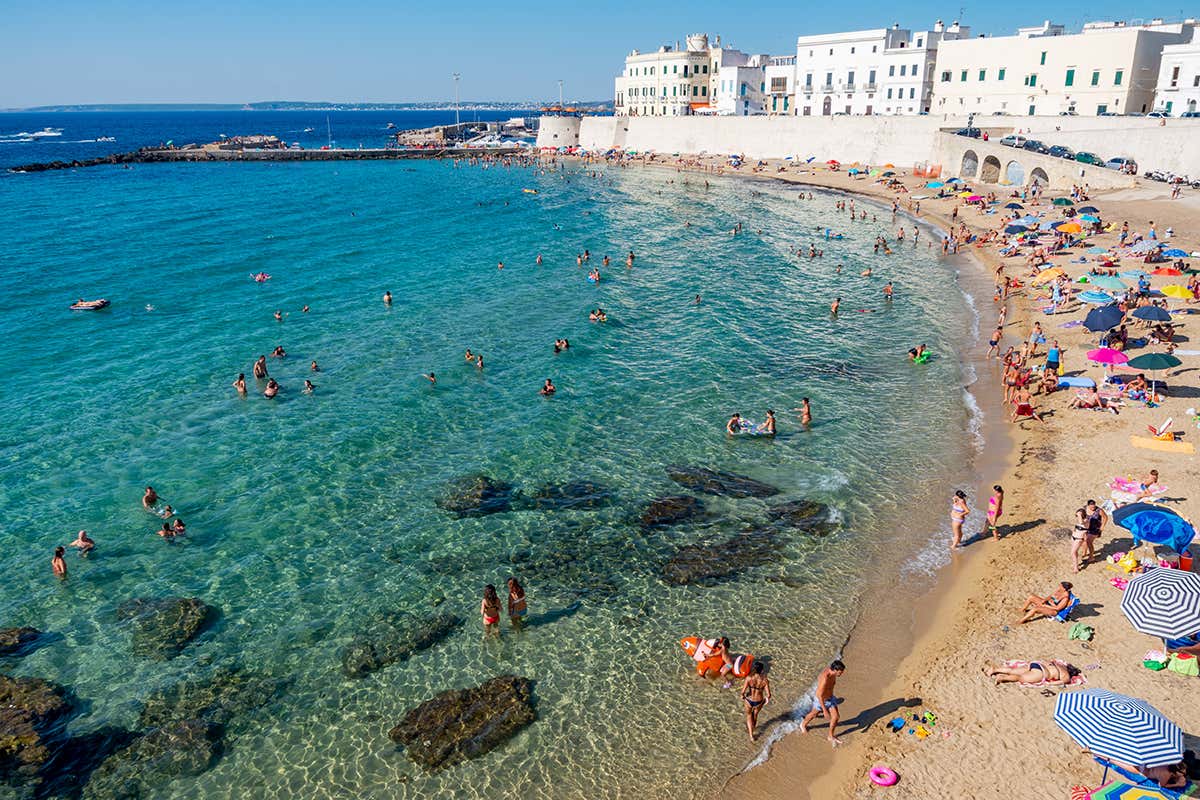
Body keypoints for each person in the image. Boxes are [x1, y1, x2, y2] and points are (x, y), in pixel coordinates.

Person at [800, 660, 845, 746]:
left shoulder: (833, 673)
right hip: (820, 700)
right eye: (840, 672)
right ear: (835, 670)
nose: (841, 674)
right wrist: (824, 710)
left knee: (836, 717)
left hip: (830, 698)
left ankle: (830, 736)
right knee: (813, 714)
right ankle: (803, 724)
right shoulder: (825, 678)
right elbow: (819, 695)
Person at [983, 660, 1080, 686]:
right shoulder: (1066, 676)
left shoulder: (1061, 665)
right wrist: (1049, 683)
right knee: (1020, 678)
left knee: (1012, 670)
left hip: (1036, 664)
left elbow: (1047, 661)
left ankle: (994, 669)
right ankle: (1002, 678)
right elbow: (1056, 682)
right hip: (1041, 673)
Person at [741, 661, 772, 742]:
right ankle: (753, 727)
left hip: (749, 700)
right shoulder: (765, 680)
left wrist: (743, 696)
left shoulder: (748, 678)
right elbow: (768, 695)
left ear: (754, 669)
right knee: (755, 715)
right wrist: (766, 700)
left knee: (748, 715)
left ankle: (751, 735)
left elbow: (743, 692)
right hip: (759, 701)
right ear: (761, 670)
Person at [1081, 499, 1107, 567]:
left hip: (1095, 529)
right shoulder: (1084, 508)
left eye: (1094, 506)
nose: (1093, 508)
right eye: (1091, 507)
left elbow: (1105, 517)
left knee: (1089, 542)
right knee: (1084, 541)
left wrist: (1102, 528)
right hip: (1086, 528)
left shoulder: (1099, 510)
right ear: (1088, 505)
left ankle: (1091, 558)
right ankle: (1084, 553)